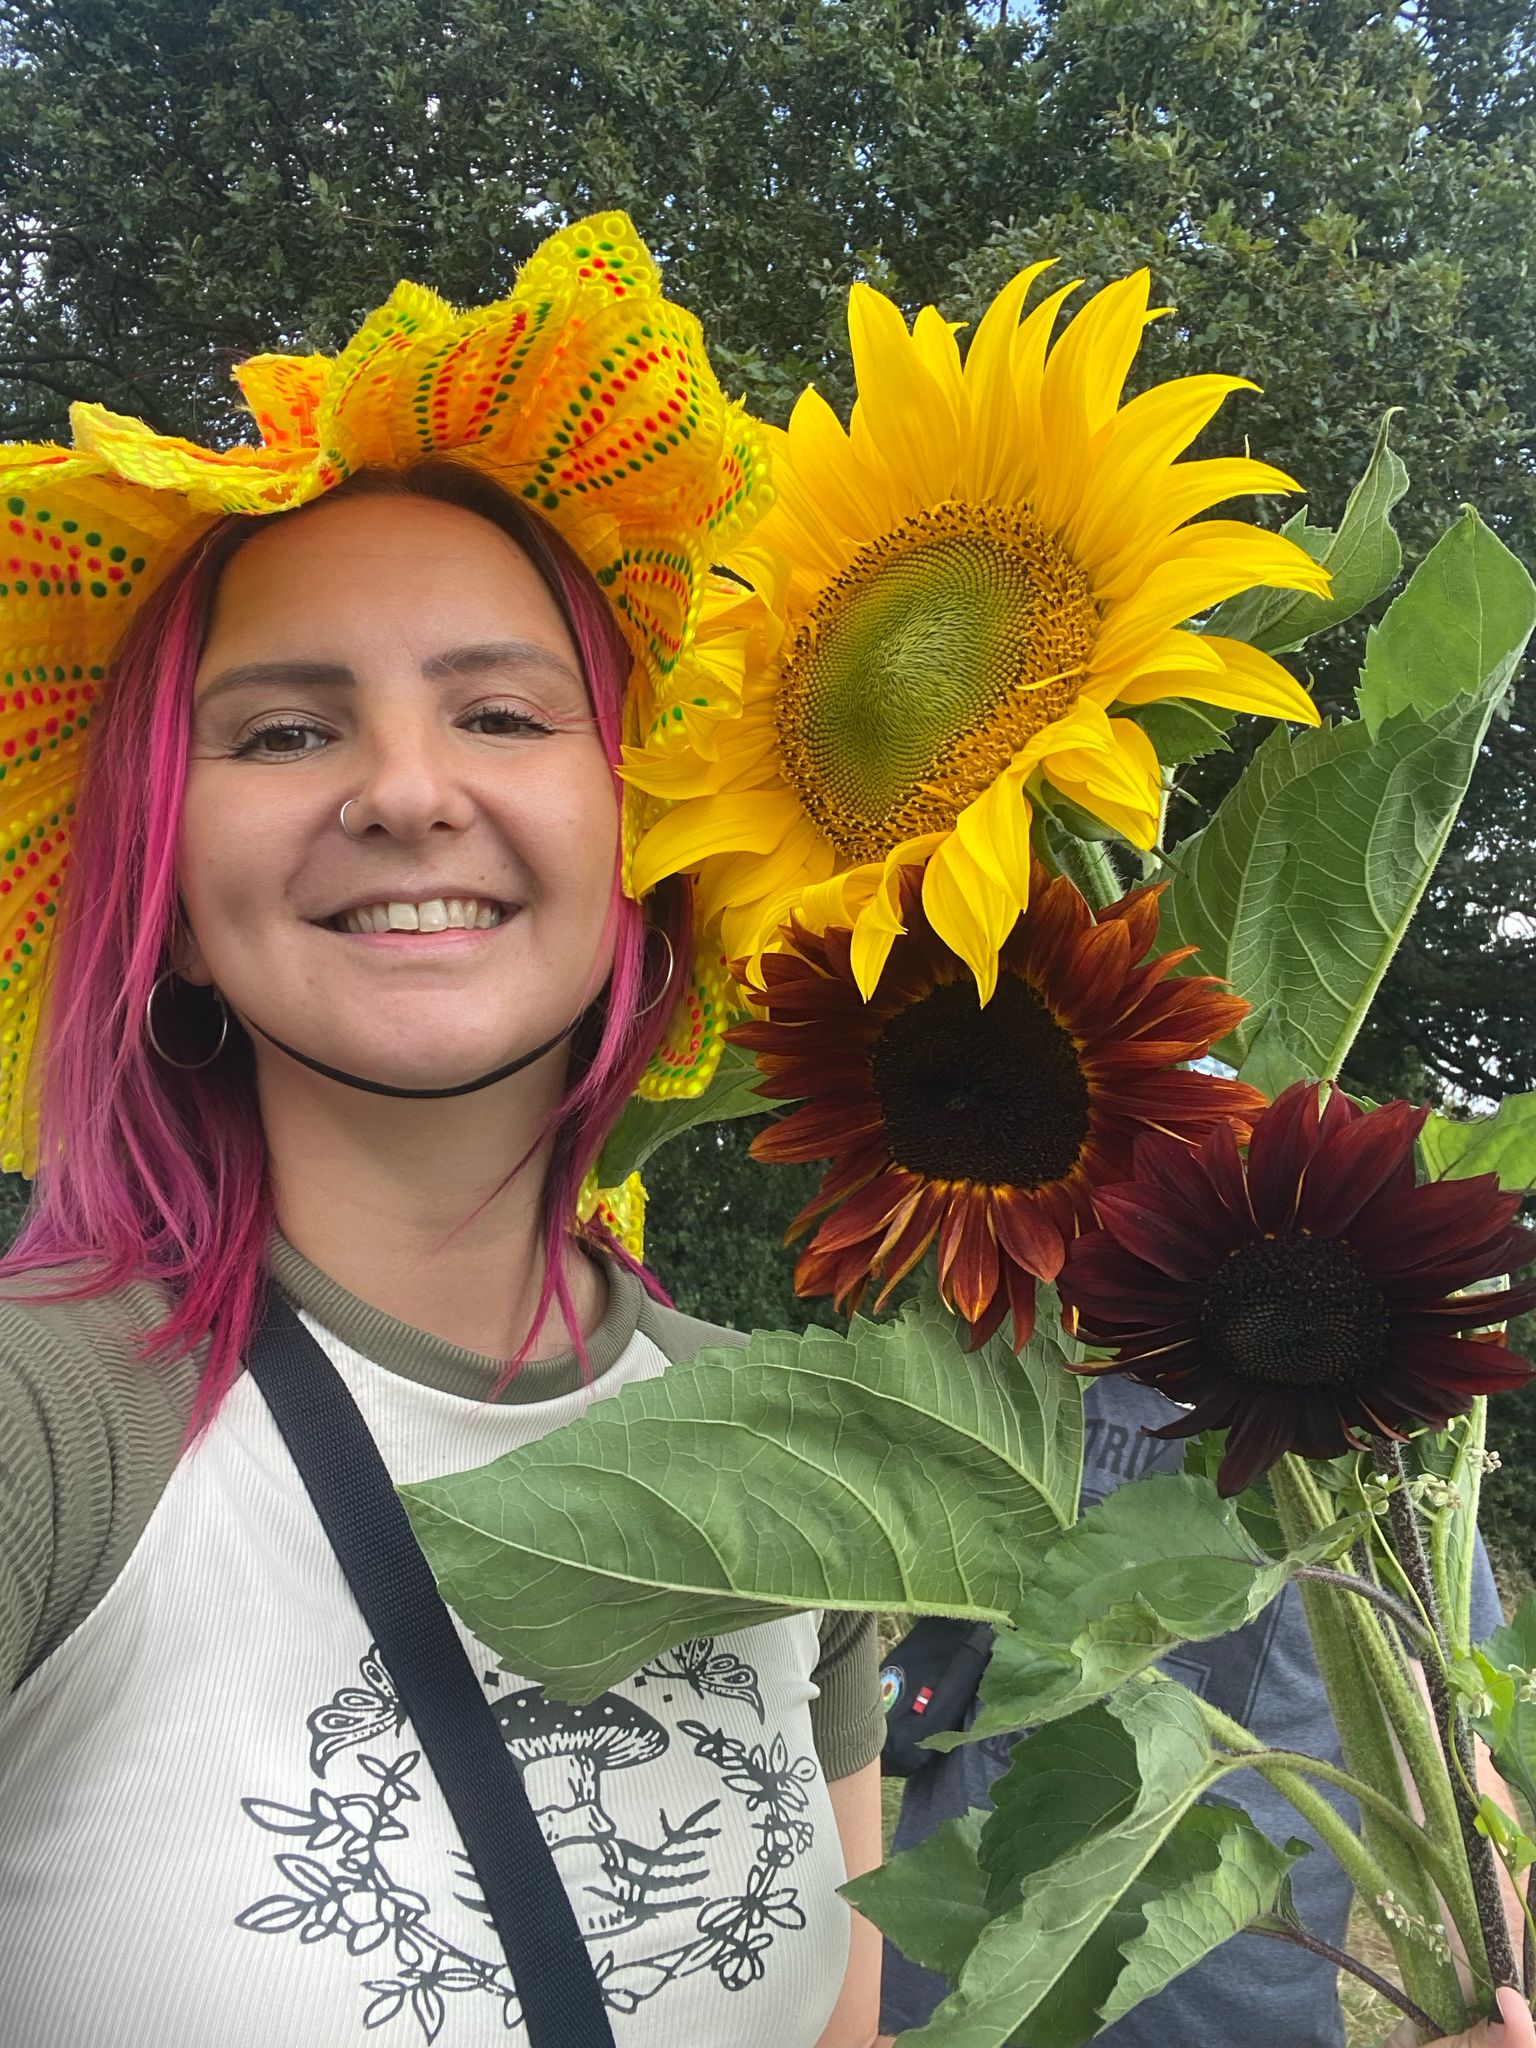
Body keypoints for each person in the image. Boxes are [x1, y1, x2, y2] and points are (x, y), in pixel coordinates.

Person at [0, 216, 883, 2047]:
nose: (406, 791)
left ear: (644, 839)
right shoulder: (43, 1432)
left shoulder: (804, 1458)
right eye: (279, 735)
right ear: (158, 891)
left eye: (499, 711)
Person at [879, 1371, 1523, 2048]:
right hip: (953, 1987)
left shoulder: (1381, 1467)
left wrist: (1490, 2008)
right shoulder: (1026, 1378)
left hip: (1225, 2013)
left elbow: (1453, 1769)